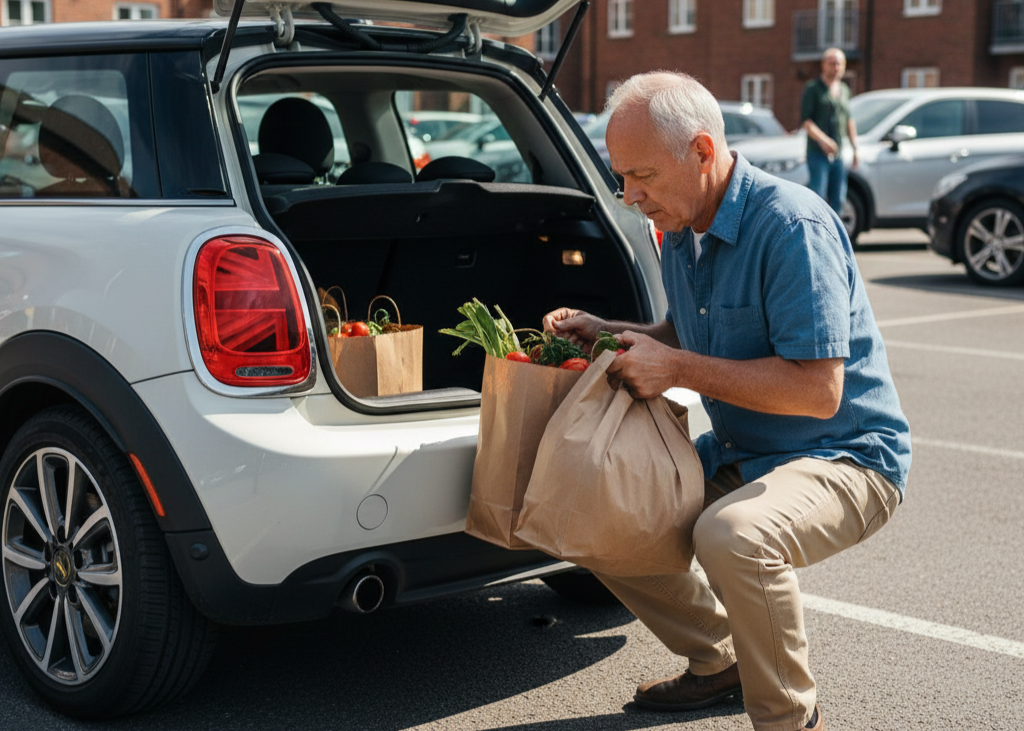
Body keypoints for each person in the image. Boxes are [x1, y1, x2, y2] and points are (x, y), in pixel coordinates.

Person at [543, 71, 910, 731]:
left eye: (642, 175)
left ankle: (787, 718)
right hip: (747, 450)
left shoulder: (791, 224)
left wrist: (677, 367)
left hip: (848, 456)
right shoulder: (682, 225)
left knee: (732, 535)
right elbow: (691, 331)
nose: (629, 196)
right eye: (620, 176)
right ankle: (719, 662)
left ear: (703, 152)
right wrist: (611, 332)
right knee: (599, 502)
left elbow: (818, 389)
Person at [800, 48, 858, 216]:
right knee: (817, 197)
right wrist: (823, 140)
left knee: (839, 198)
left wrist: (855, 148)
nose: (836, 67)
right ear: (823, 65)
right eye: (832, 63)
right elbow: (806, 122)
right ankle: (816, 235)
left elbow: (849, 120)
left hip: (838, 153)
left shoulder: (844, 90)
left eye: (839, 64)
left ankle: (834, 238)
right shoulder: (813, 88)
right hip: (817, 153)